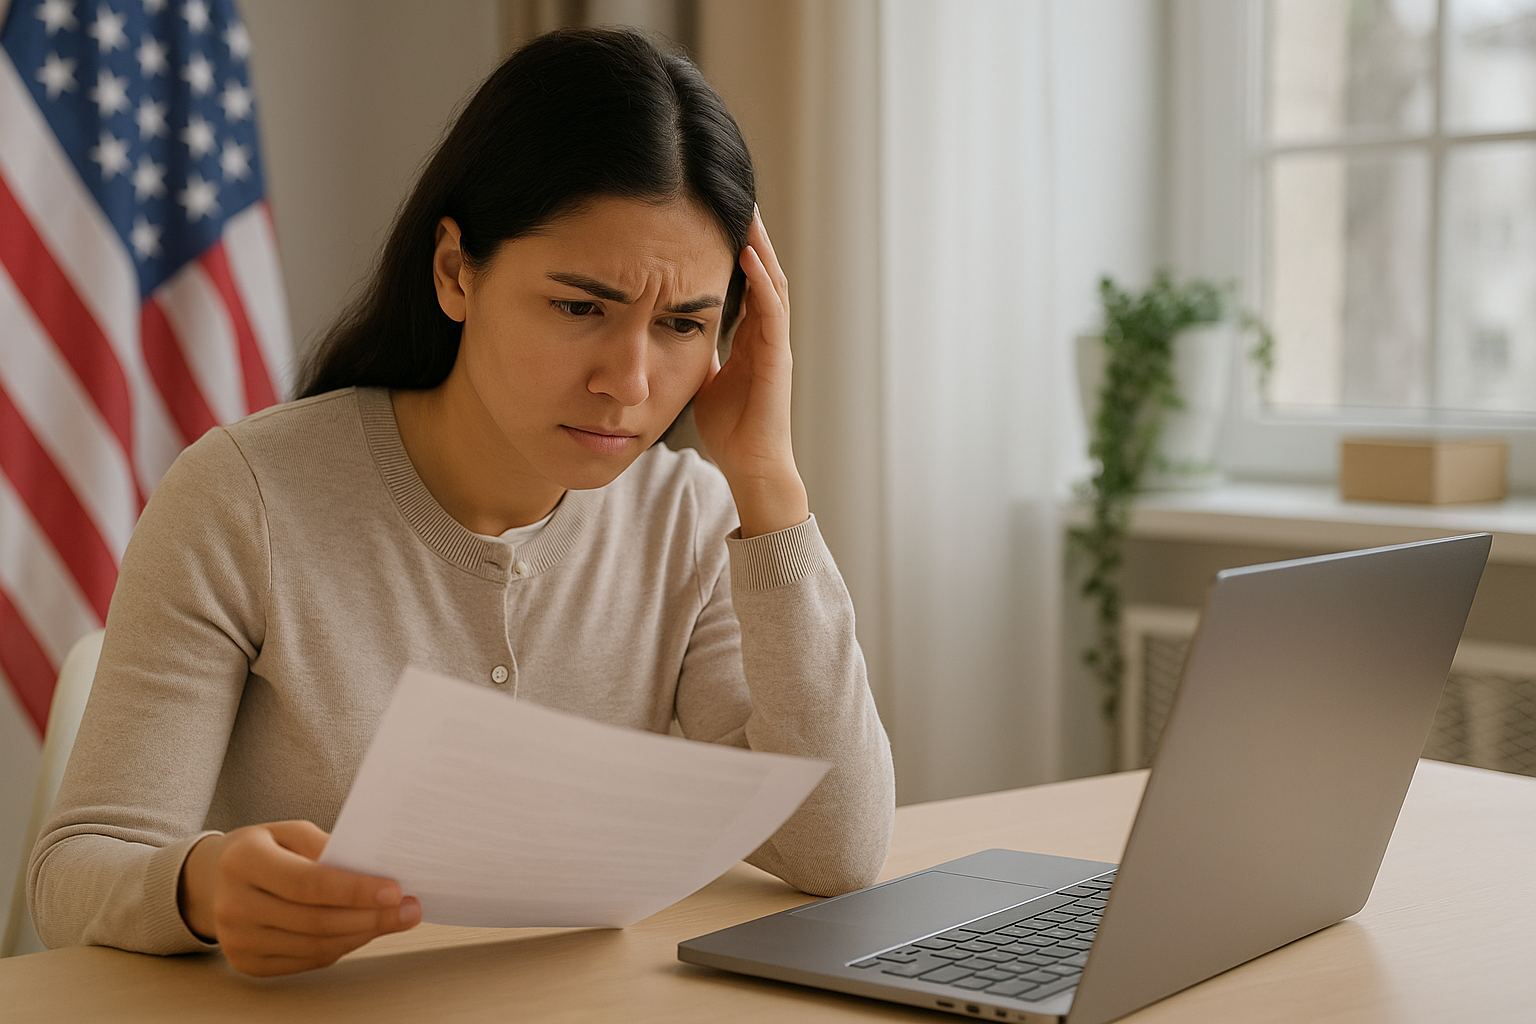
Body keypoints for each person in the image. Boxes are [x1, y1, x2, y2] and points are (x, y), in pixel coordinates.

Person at [27, 28, 894, 977]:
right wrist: (199, 886)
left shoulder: (686, 516)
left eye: (684, 323)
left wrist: (768, 484)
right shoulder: (243, 499)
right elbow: (77, 874)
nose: (631, 383)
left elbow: (836, 852)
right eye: (579, 308)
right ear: (455, 273)